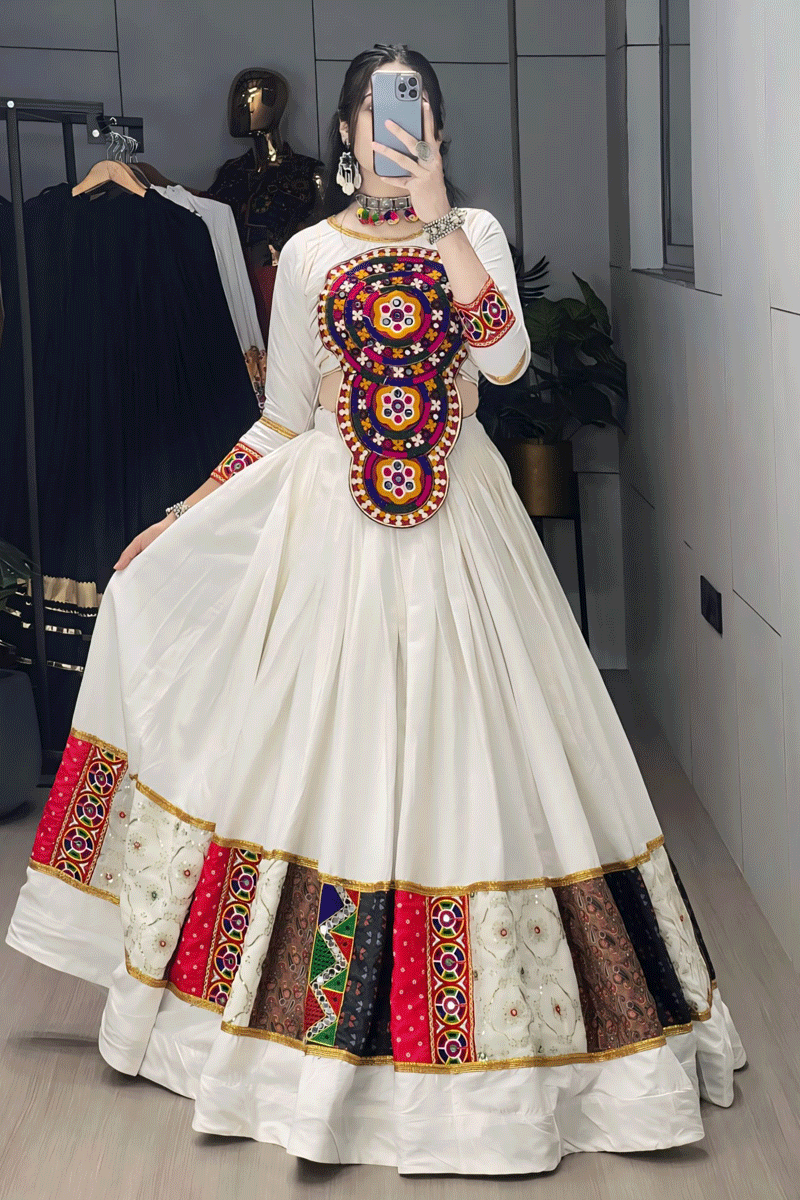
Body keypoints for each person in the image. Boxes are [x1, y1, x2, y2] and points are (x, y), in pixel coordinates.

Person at [5, 43, 746, 1177]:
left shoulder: (472, 232)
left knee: (479, 758)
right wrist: (180, 515)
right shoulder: (306, 253)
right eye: (377, 109)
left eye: (416, 107)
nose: (396, 126)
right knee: (326, 760)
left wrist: (441, 219)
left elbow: (507, 363)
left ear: (433, 128)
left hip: (465, 536)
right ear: (348, 132)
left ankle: (498, 1050)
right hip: (334, 543)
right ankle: (313, 1037)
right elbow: (280, 420)